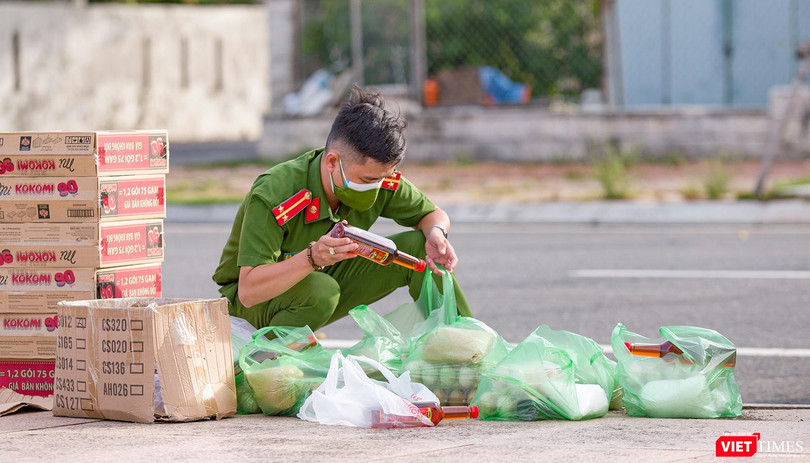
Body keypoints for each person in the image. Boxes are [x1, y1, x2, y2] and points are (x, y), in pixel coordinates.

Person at [212, 85, 472, 331]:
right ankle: (263, 364)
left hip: (323, 280)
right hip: (256, 304)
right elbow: (248, 291)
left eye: (383, 178)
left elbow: (432, 215)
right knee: (320, 290)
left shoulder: (379, 178)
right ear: (332, 162)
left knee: (419, 248)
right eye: (368, 180)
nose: (377, 186)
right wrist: (312, 258)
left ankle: (462, 347)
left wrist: (437, 233)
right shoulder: (276, 194)